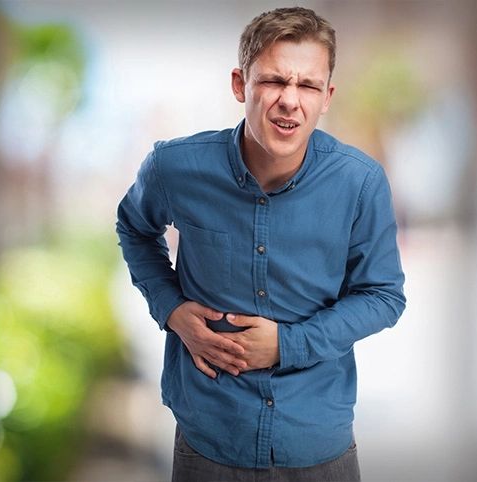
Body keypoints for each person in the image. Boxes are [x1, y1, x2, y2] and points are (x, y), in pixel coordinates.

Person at [115, 6, 405, 481]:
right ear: (239, 85)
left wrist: (287, 345)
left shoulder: (359, 182)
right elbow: (134, 227)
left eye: (307, 85)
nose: (290, 100)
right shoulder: (175, 168)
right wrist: (170, 308)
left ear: (327, 96)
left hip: (317, 445)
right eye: (273, 81)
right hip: (210, 437)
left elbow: (383, 295)